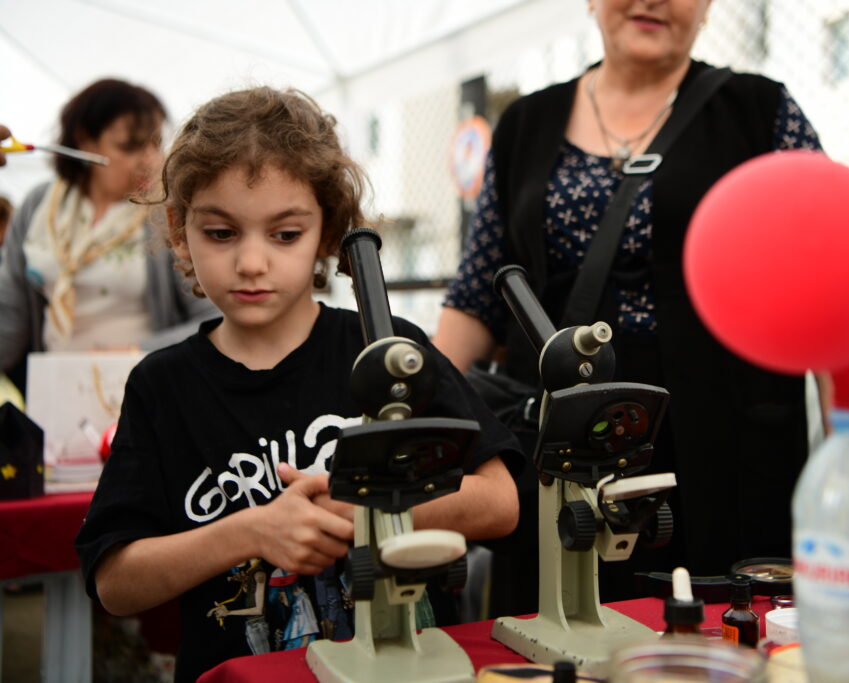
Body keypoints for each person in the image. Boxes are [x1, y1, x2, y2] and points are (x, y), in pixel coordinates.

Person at [74, 86, 522, 682]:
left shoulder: (390, 349)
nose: (252, 262)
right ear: (180, 230)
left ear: (328, 231)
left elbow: (501, 501)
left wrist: (368, 506)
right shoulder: (162, 386)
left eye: (284, 234)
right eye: (222, 233)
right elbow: (115, 583)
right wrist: (251, 530)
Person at [433, 0, 825, 614]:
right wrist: (423, 422)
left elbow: (830, 275)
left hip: (725, 442)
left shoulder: (761, 111)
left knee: (721, 630)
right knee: (552, 625)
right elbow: (478, 293)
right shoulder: (525, 124)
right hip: (559, 435)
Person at [0, 79, 216, 391]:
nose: (150, 160)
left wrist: (138, 353)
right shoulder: (39, 207)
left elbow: (213, 321)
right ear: (85, 142)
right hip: (57, 393)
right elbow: (8, 324)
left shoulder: (165, 213)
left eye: (156, 144)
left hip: (145, 389)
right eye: (130, 146)